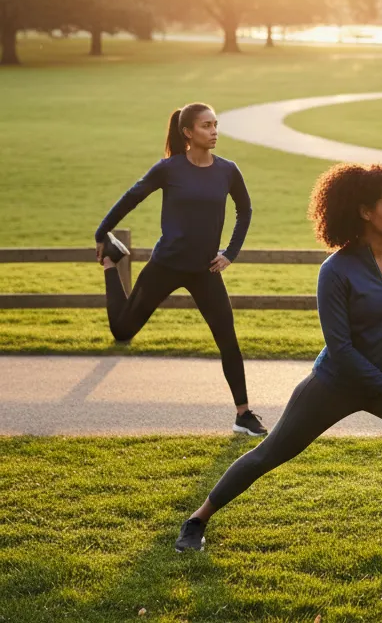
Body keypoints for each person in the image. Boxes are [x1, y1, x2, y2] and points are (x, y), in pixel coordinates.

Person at [174, 164, 382, 560]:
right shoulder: (336, 270)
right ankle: (198, 519)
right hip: (336, 385)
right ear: (364, 212)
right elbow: (341, 351)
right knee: (270, 452)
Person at [95, 102, 264, 437]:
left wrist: (229, 253)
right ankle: (111, 263)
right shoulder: (169, 169)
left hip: (205, 271)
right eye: (205, 126)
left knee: (228, 341)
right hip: (166, 266)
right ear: (188, 132)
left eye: (215, 125)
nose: (213, 131)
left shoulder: (228, 170)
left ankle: (243, 414)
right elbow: (131, 197)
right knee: (123, 330)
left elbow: (245, 210)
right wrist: (102, 233)